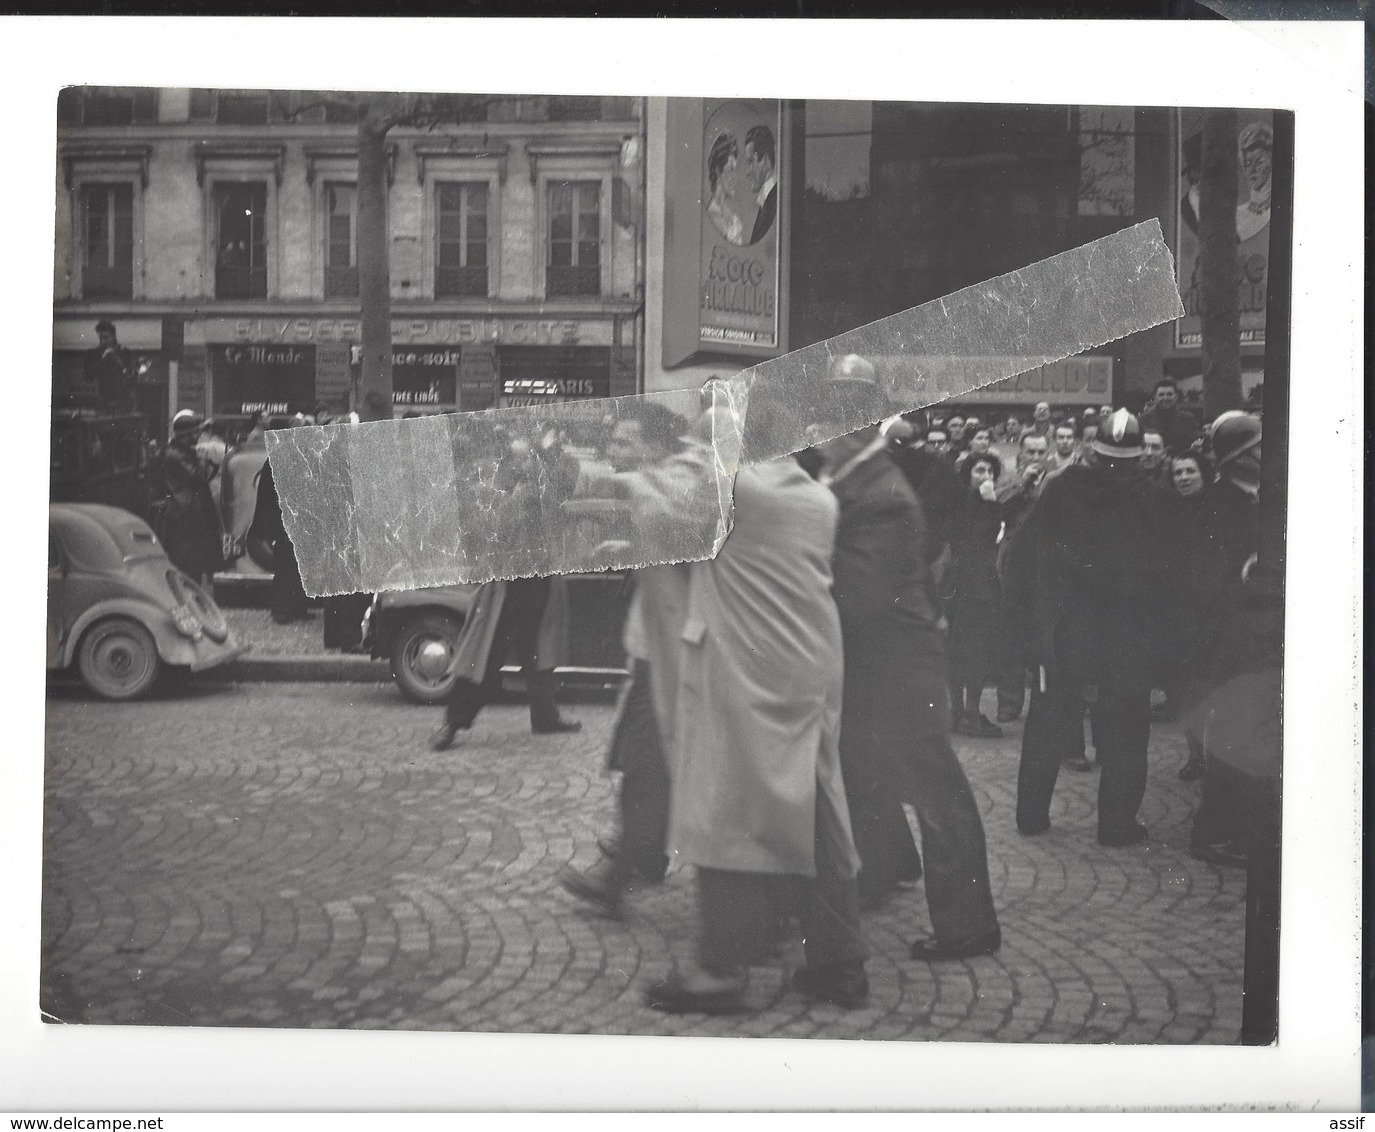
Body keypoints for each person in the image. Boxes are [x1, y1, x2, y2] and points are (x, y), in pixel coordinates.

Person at [642, 435, 870, 1013]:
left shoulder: (737, 490)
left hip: (745, 675)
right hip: (808, 675)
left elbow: (656, 505)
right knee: (815, 812)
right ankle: (840, 964)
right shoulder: (819, 499)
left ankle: (721, 971)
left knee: (726, 811)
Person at [800, 368, 1000, 961]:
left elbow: (859, 594)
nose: (819, 435)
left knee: (939, 798)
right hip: (877, 669)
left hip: (899, 672)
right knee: (864, 777)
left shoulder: (882, 495)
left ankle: (969, 926)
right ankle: (881, 873)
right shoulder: (852, 479)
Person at [1004, 409, 1171, 847]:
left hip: (1065, 632)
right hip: (1126, 638)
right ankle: (1116, 825)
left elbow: (1019, 560)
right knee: (1126, 732)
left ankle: (1031, 814)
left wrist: (1032, 625)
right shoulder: (1153, 499)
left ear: (1093, 451)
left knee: (1047, 722)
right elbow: (1169, 577)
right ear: (1137, 457)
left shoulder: (1061, 491)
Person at [558, 402, 695, 918]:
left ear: (656, 448)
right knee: (650, 761)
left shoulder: (674, 491)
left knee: (645, 764)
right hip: (655, 650)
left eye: (624, 442)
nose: (614, 451)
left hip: (668, 654)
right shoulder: (665, 488)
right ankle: (647, 854)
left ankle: (615, 880)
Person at [429, 433, 581, 750]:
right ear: (509, 464)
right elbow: (490, 539)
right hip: (507, 589)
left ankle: (545, 718)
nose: (527, 464)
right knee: (483, 657)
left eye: (531, 457)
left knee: (539, 657)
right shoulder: (498, 495)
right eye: (520, 459)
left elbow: (566, 486)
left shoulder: (543, 491)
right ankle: (452, 724)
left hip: (538, 583)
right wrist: (515, 505)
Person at [1186, 412, 1261, 867]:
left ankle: (1238, 829)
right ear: (1240, 457)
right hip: (1230, 641)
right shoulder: (1216, 506)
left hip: (1254, 638)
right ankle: (1212, 833)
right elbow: (1205, 583)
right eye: (1259, 447)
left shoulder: (1257, 499)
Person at [1159, 450, 1223, 782]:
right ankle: (1195, 755)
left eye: (1190, 471)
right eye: (1178, 473)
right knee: (1187, 691)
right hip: (1180, 615)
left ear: (1205, 474)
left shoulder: (1219, 510)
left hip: (1213, 614)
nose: (1183, 477)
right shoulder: (1170, 512)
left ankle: (1218, 759)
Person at [992, 431, 1051, 724]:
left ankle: (1046, 703)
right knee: (1011, 634)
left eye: (1041, 452)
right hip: (1013, 563)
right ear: (1021, 456)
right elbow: (998, 508)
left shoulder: (1055, 482)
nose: (1036, 458)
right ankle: (1009, 702)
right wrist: (1023, 483)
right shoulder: (1010, 481)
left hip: (1045, 565)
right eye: (1031, 452)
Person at [947, 452, 1006, 739]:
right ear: (968, 474)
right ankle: (963, 712)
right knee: (965, 646)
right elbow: (981, 535)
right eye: (980, 471)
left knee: (971, 646)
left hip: (971, 581)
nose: (986, 477)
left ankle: (964, 711)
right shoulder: (970, 503)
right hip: (969, 582)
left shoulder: (979, 502)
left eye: (990, 472)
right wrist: (990, 503)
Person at [157, 410, 224, 585]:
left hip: (190, 514)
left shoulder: (183, 452)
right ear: (184, 435)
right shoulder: (176, 455)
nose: (198, 436)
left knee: (194, 566)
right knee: (188, 566)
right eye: (195, 432)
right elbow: (200, 476)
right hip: (185, 517)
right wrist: (203, 459)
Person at [84, 319, 136, 414]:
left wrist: (118, 360)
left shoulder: (124, 352)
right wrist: (103, 358)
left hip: (123, 401)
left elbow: (131, 376)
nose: (103, 341)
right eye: (101, 338)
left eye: (106, 337)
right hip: (103, 400)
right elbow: (88, 376)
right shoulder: (93, 354)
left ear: (113, 336)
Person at [1140, 378, 1200, 456]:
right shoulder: (1143, 419)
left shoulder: (1187, 419)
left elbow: (1195, 442)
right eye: (1161, 395)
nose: (1165, 398)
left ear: (1176, 397)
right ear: (1155, 397)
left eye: (1169, 394)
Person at [705, 133, 745, 247]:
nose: (735, 177)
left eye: (735, 170)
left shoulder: (732, 216)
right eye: (731, 169)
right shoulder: (712, 217)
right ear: (718, 170)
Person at [743, 123, 778, 245]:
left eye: (750, 162)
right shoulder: (768, 201)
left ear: (765, 161)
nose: (747, 172)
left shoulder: (776, 202)